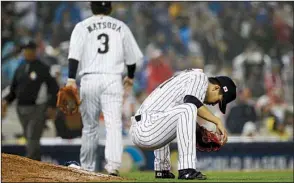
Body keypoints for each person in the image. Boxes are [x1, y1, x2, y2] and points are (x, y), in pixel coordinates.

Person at [65, 1, 143, 176]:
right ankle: (113, 167)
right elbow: (132, 59)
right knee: (113, 124)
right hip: (112, 80)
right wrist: (130, 76)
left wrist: (71, 78)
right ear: (110, 8)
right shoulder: (120, 26)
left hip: (89, 79)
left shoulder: (82, 26)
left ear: (92, 8)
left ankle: (87, 168)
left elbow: (74, 55)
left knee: (89, 126)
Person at [130, 68, 236, 180]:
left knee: (175, 110)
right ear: (216, 87)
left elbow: (169, 112)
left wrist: (197, 130)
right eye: (219, 100)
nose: (214, 104)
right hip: (146, 127)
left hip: (147, 125)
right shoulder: (199, 77)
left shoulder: (188, 79)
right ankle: (187, 170)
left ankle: (162, 169)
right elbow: (191, 100)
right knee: (189, 108)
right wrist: (217, 121)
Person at [2, 40, 59, 161]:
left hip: (37, 108)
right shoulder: (20, 68)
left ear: (34, 51)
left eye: (29, 49)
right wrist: (6, 101)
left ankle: (31, 161)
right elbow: (13, 90)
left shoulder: (42, 68)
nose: (26, 52)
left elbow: (53, 88)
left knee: (32, 136)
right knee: (29, 137)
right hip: (21, 109)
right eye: (25, 50)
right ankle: (35, 163)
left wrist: (52, 106)